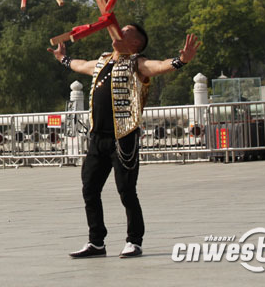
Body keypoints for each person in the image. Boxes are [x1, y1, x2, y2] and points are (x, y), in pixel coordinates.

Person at [48, 24, 199, 259]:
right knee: (90, 189)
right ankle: (96, 241)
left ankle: (134, 240)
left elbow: (158, 67)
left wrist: (181, 61)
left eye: (126, 30)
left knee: (127, 191)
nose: (117, 30)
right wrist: (63, 59)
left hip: (123, 137)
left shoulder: (137, 63)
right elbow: (81, 65)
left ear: (135, 43)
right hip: (97, 138)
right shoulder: (102, 61)